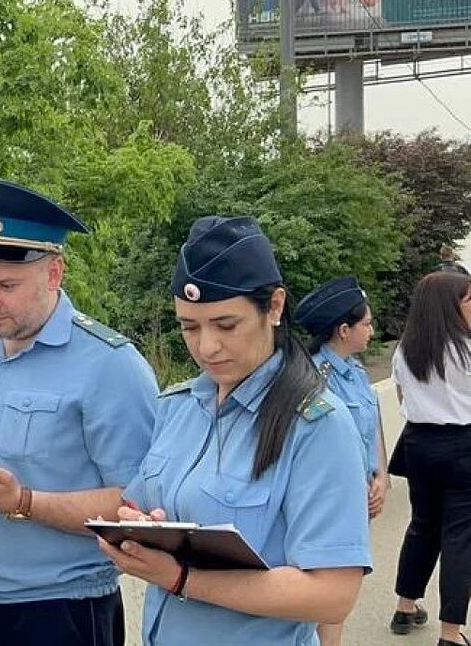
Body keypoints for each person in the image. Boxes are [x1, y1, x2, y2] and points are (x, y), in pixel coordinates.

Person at [102, 215, 372, 646]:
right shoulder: (177, 407)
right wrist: (135, 526)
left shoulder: (317, 427)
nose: (206, 346)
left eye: (226, 325)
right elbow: (138, 501)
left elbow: (332, 594)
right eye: (189, 326)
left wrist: (181, 578)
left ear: (275, 307)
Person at [0, 177, 159, 646]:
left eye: (6, 285)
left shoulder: (111, 367)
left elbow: (139, 507)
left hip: (62, 614)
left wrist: (22, 502)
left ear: (54, 273)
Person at [296, 276, 390, 646]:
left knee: (343, 589)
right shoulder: (316, 377)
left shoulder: (357, 372)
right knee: (329, 592)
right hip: (333, 499)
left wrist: (379, 476)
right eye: (366, 323)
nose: (372, 330)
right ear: (343, 329)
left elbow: (370, 429)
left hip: (359, 495)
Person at [386, 271, 471, 646]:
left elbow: (403, 400)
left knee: (422, 525)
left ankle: (405, 606)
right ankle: (451, 632)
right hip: (463, 444)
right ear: (449, 307)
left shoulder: (407, 349)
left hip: (419, 443)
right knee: (460, 536)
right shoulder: (467, 350)